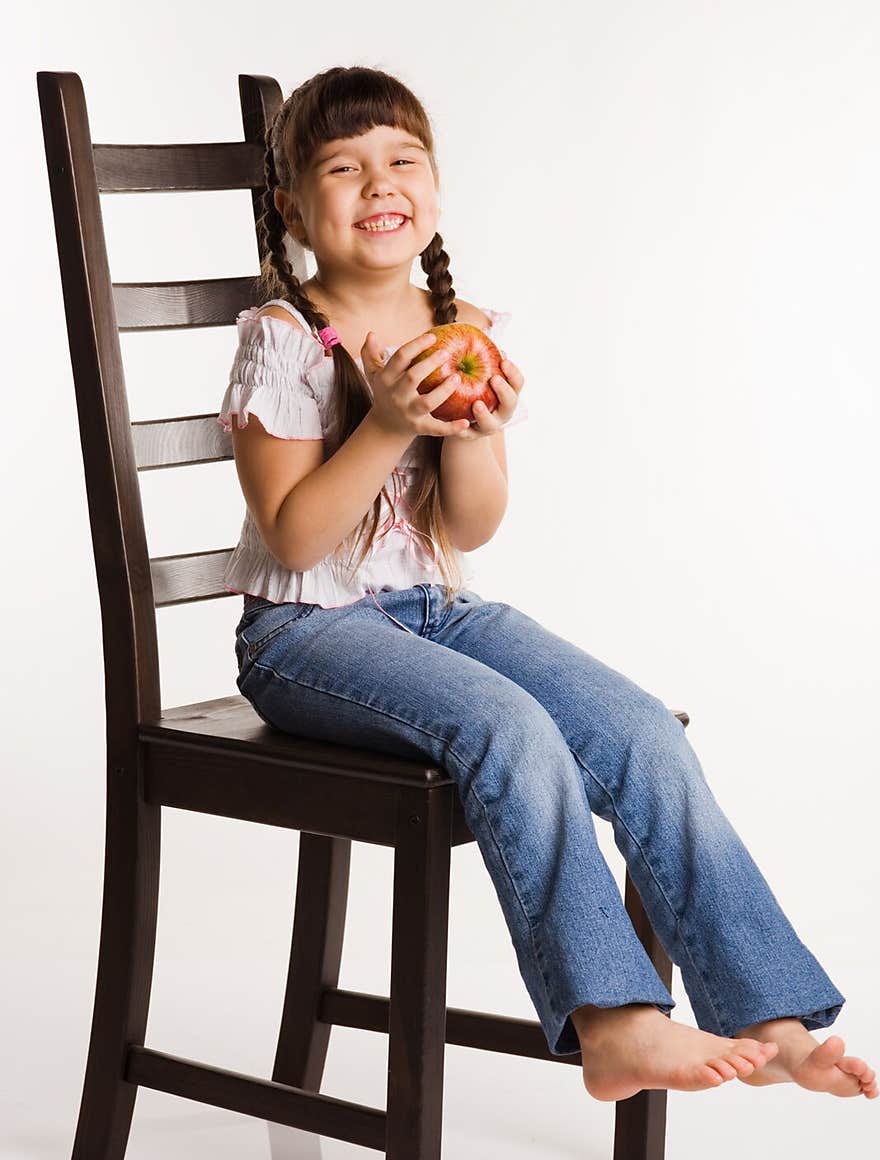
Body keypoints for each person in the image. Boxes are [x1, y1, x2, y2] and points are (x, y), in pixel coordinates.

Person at [218, 64, 876, 1104]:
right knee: (510, 728)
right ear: (295, 205)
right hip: (305, 638)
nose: (378, 183)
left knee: (641, 728)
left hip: (432, 611)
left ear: (433, 189)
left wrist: (475, 430)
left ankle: (764, 1007)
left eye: (402, 160)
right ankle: (612, 1022)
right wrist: (386, 422)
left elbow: (471, 522)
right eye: (343, 168)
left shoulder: (457, 322)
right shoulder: (288, 337)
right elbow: (295, 540)